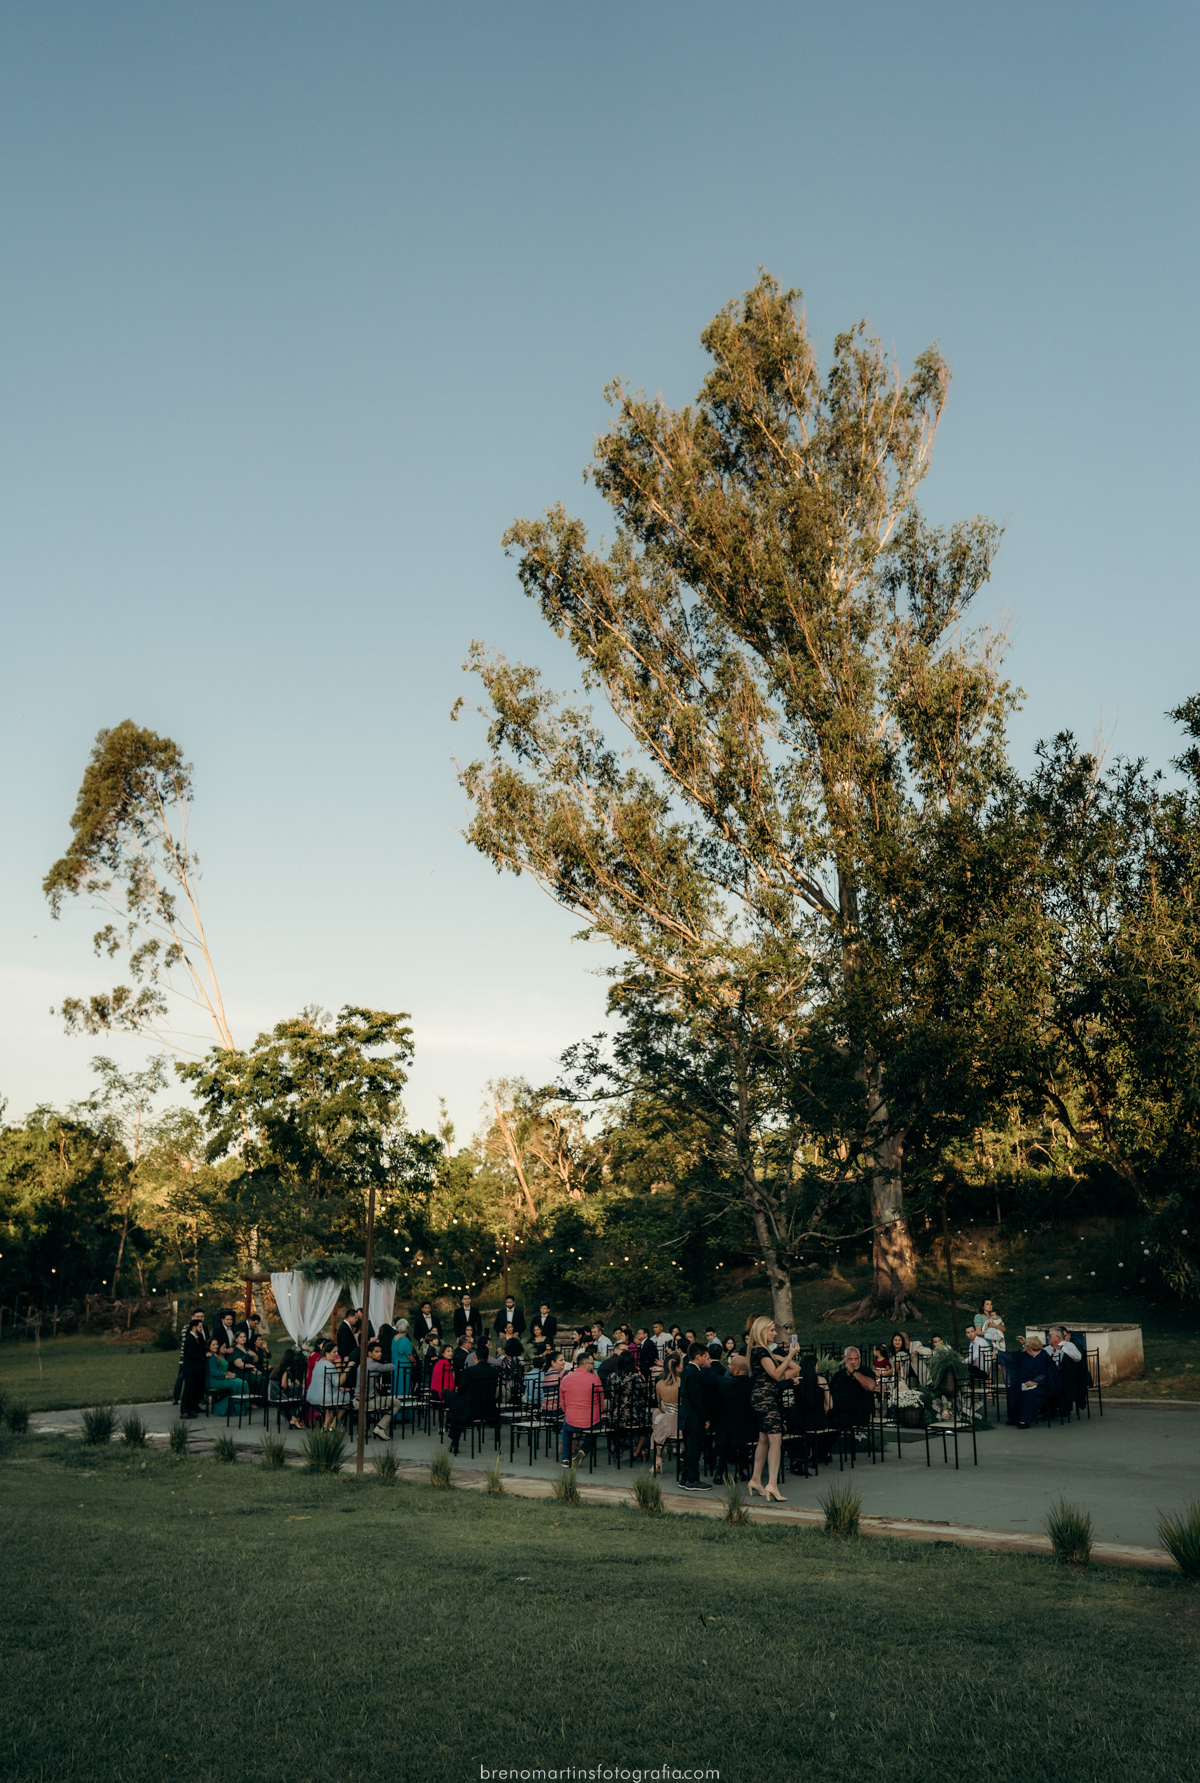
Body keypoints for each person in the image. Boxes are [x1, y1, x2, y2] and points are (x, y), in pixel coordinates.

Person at [746, 1315, 799, 1502]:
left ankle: (755, 1479)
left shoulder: (757, 1350)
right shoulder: (760, 1350)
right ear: (762, 1331)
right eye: (771, 1330)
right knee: (776, 1440)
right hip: (766, 1398)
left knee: (763, 1440)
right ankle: (772, 1484)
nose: (775, 1333)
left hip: (761, 1397)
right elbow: (776, 1374)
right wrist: (789, 1356)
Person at [711, 1353, 757, 1484]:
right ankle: (739, 1471)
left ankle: (719, 1473)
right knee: (743, 1446)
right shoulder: (751, 1384)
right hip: (746, 1426)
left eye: (730, 1365)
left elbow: (717, 1407)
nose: (729, 1367)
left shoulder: (724, 1386)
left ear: (736, 1370)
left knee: (724, 1443)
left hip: (726, 1426)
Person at [446, 1354, 500, 1455]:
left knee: (449, 1397)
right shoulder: (495, 1371)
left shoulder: (470, 1371)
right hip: (489, 1409)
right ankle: (453, 1439)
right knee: (456, 1406)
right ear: (488, 1358)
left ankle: (454, 1442)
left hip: (471, 1409)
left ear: (475, 1356)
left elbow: (461, 1390)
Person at [558, 1354, 605, 1466]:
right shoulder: (595, 1378)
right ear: (585, 1364)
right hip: (591, 1421)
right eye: (591, 1364)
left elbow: (563, 1402)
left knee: (566, 1428)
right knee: (598, 1425)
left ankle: (565, 1458)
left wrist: (568, 1413)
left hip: (571, 1420)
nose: (593, 1366)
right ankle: (584, 1450)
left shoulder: (566, 1379)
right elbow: (601, 1402)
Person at [828, 1347, 879, 1438]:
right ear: (844, 1359)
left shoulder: (866, 1371)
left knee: (831, 1423)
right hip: (837, 1412)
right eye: (850, 1359)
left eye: (856, 1359)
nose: (853, 1362)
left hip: (857, 1413)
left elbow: (871, 1387)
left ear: (860, 1359)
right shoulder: (838, 1375)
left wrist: (854, 1372)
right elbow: (830, 1393)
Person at [1003, 1335, 1050, 1427]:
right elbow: (1015, 1357)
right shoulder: (1027, 1355)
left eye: (1026, 1347)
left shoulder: (1043, 1356)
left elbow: (1045, 1373)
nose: (1025, 1349)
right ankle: (1015, 1417)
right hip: (1024, 1382)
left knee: (1029, 1394)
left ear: (1031, 1349)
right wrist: (999, 1353)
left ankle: (1024, 1420)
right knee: (1013, 1389)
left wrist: (1034, 1382)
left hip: (1040, 1384)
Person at [652, 1352, 681, 1473]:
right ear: (678, 1366)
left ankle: (658, 1457)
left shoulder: (659, 1384)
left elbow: (659, 1405)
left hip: (666, 1425)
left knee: (657, 1415)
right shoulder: (682, 1382)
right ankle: (680, 1452)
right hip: (680, 1425)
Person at [178, 1310, 208, 1418]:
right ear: (194, 1328)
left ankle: (192, 1407)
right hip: (191, 1369)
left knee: (195, 1389)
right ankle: (185, 1411)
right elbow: (191, 1354)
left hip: (196, 1368)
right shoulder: (190, 1339)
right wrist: (204, 1356)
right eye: (200, 1327)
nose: (201, 1329)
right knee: (189, 1389)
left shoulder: (196, 1339)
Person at [206, 1339, 248, 1416]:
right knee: (238, 1385)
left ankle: (234, 1408)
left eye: (216, 1344)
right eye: (213, 1345)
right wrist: (226, 1376)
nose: (216, 1346)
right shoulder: (210, 1356)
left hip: (218, 1378)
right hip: (214, 1381)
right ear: (209, 1346)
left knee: (240, 1383)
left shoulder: (214, 1355)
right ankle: (238, 1410)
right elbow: (213, 1372)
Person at [268, 1348, 307, 1429]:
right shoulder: (285, 1370)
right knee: (299, 1397)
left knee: (298, 1393)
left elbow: (295, 1381)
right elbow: (284, 1385)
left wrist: (297, 1384)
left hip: (273, 1394)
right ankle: (294, 1418)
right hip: (279, 1395)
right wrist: (292, 1387)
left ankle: (293, 1419)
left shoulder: (279, 1368)